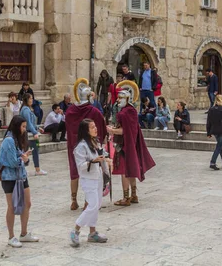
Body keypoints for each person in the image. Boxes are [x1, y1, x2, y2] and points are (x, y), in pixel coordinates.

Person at [107, 80, 156, 206]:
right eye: (118, 98)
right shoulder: (132, 111)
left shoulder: (124, 113)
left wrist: (111, 130)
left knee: (124, 171)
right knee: (130, 169)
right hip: (131, 144)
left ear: (127, 99)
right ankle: (134, 195)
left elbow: (124, 131)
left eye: (121, 98)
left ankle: (126, 198)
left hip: (124, 145)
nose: (118, 100)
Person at [0, 115, 40, 248]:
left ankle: (24, 233)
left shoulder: (17, 139)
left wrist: (24, 157)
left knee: (27, 203)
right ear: (17, 126)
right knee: (12, 206)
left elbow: (20, 159)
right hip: (10, 177)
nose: (24, 129)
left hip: (21, 176)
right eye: (22, 126)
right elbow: (13, 162)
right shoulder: (9, 140)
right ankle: (11, 236)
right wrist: (24, 159)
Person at [66, 78, 107, 211]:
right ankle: (86, 202)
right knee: (88, 172)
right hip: (89, 146)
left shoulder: (71, 110)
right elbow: (101, 125)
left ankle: (73, 201)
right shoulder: (94, 111)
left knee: (74, 171)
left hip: (74, 145)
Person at [70, 119, 111, 247]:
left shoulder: (95, 142)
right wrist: (93, 161)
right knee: (92, 205)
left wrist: (107, 159)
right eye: (92, 127)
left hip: (97, 176)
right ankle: (75, 229)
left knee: (97, 204)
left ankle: (92, 233)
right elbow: (80, 165)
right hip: (88, 179)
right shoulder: (81, 147)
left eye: (95, 126)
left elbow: (102, 154)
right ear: (86, 130)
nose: (95, 129)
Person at [20, 93, 47, 176]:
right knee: (28, 151)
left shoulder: (28, 109)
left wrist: (38, 128)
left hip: (30, 132)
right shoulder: (25, 110)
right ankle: (35, 169)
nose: (32, 100)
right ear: (27, 99)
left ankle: (35, 169)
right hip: (28, 134)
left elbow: (32, 122)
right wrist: (35, 132)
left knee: (31, 151)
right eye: (30, 98)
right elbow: (28, 123)